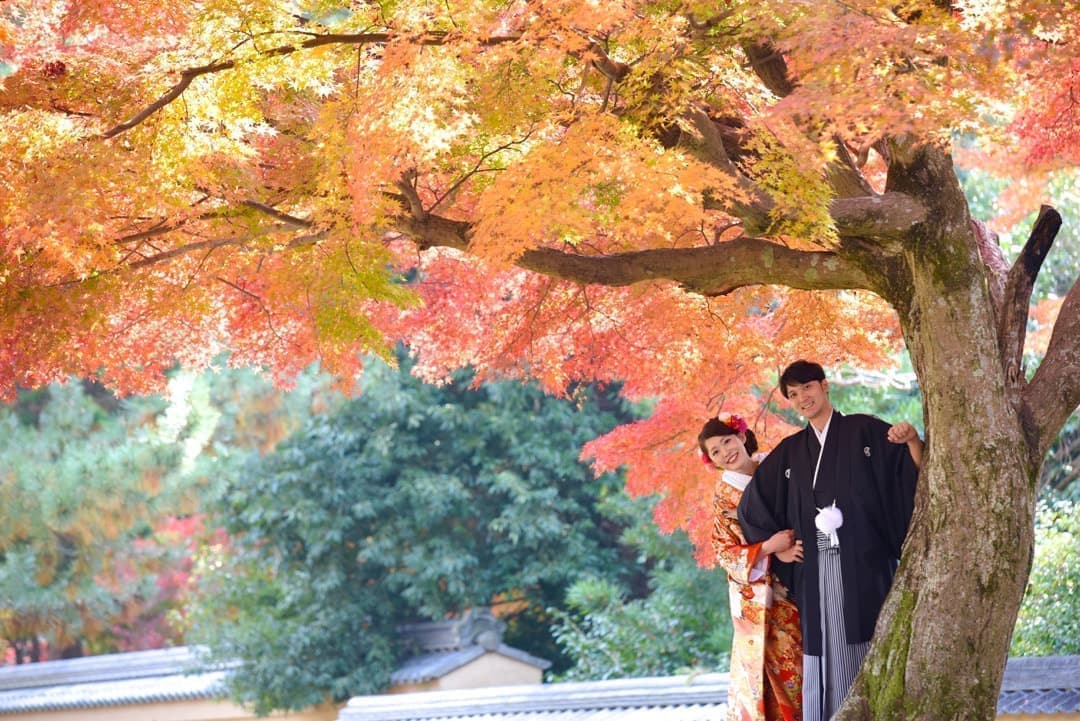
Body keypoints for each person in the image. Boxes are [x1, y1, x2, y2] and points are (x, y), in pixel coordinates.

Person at [736, 361, 922, 721]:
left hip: (865, 566)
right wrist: (781, 549)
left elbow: (907, 470)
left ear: (824, 386)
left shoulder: (865, 430)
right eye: (792, 394)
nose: (801, 398)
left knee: (866, 642)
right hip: (814, 572)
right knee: (821, 651)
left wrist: (912, 440)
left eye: (807, 388)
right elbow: (752, 506)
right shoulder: (790, 452)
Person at [699, 413, 803, 721]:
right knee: (789, 668)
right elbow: (726, 552)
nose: (725, 453)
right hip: (770, 594)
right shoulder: (723, 498)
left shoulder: (775, 466)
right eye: (715, 452)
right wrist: (770, 548)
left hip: (808, 565)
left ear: (742, 437)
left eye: (727, 442)